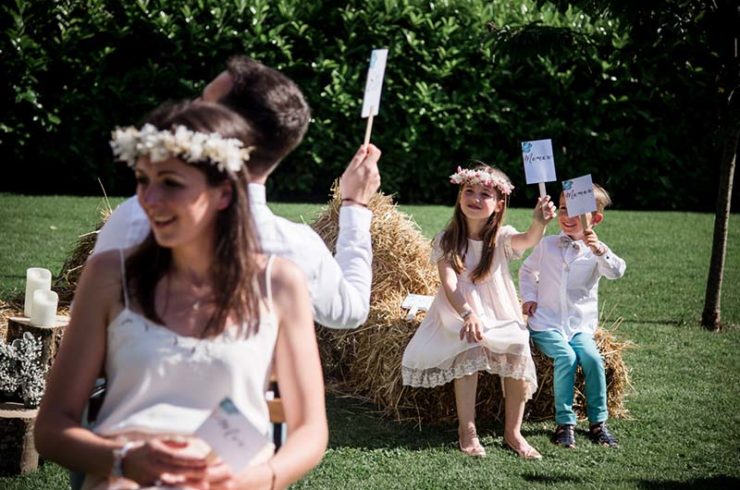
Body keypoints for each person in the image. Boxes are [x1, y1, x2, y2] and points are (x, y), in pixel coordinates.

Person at [35, 101, 328, 489]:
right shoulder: (108, 274)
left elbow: (310, 429)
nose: (149, 199)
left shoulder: (279, 283)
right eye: (143, 180)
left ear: (223, 193)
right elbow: (52, 426)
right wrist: (122, 460)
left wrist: (258, 479)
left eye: (171, 182)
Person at [93, 55, 381, 329]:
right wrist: (355, 206)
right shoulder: (295, 249)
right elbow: (351, 311)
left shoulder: (136, 214)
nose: (191, 106)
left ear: (226, 130)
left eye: (204, 104)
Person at [402, 164, 555, 459]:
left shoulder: (501, 238)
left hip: (497, 308)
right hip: (457, 309)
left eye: (484, 194)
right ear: (460, 197)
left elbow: (528, 239)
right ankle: (467, 429)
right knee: (469, 343)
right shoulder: (447, 239)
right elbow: (449, 284)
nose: (474, 197)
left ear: (498, 205)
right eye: (468, 191)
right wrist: (469, 314)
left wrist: (539, 223)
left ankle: (513, 432)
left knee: (518, 343)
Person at [519, 184, 626, 449]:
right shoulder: (547, 244)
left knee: (591, 358)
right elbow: (526, 271)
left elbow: (616, 272)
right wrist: (529, 297)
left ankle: (598, 422)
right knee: (565, 357)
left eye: (577, 212)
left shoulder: (597, 251)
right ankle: (565, 423)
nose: (567, 217)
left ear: (596, 219)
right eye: (564, 209)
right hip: (546, 323)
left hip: (580, 326)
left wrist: (600, 250)